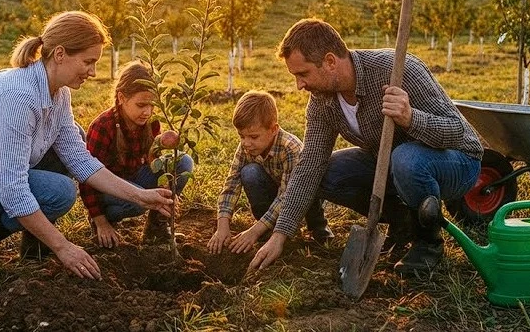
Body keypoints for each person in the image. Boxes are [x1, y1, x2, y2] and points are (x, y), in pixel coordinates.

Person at [0, 11, 173, 281]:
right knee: (58, 192)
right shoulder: (19, 97)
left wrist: (141, 196)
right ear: (60, 54)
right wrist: (63, 247)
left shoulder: (58, 94)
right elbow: (13, 190)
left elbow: (80, 160)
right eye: (88, 61)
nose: (93, 72)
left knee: (71, 144)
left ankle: (32, 243)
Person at [248, 18, 482, 275]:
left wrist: (410, 118)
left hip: (456, 162)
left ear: (329, 62)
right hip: (392, 164)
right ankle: (401, 220)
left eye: (303, 74)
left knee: (406, 158)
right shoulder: (322, 101)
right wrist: (280, 234)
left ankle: (428, 242)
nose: (299, 85)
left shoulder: (398, 69)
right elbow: (309, 165)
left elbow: (457, 131)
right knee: (326, 173)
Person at [79, 61, 194, 247]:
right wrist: (100, 222)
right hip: (108, 189)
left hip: (135, 178)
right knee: (137, 202)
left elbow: (152, 161)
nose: (147, 112)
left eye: (152, 105)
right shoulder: (103, 127)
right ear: (122, 97)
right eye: (141, 105)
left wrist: (167, 189)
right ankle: (105, 222)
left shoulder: (151, 122)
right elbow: (87, 178)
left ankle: (157, 227)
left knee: (183, 162)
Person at [207, 90, 332, 254]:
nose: (246, 143)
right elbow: (232, 184)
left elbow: (288, 195)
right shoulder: (247, 146)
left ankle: (318, 228)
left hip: (300, 195)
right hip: (275, 191)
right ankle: (266, 228)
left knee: (311, 190)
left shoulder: (290, 148)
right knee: (249, 173)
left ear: (273, 129)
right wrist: (222, 225)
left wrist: (253, 231)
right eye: (241, 136)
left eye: (253, 136)